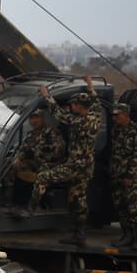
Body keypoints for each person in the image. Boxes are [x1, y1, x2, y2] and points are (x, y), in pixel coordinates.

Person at [18, 79, 103, 245]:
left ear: (80, 106)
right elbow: (97, 102)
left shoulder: (80, 121)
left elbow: (59, 114)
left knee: (43, 177)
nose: (71, 107)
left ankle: (29, 210)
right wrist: (90, 86)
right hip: (86, 166)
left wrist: (46, 96)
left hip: (75, 166)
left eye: (73, 105)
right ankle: (79, 234)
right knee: (78, 199)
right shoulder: (96, 117)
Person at [108, 101, 137, 248]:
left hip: (129, 176)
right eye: (114, 115)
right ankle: (127, 235)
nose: (115, 118)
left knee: (133, 207)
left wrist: (130, 175)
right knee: (120, 206)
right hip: (116, 174)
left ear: (125, 115)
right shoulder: (116, 130)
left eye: (117, 115)